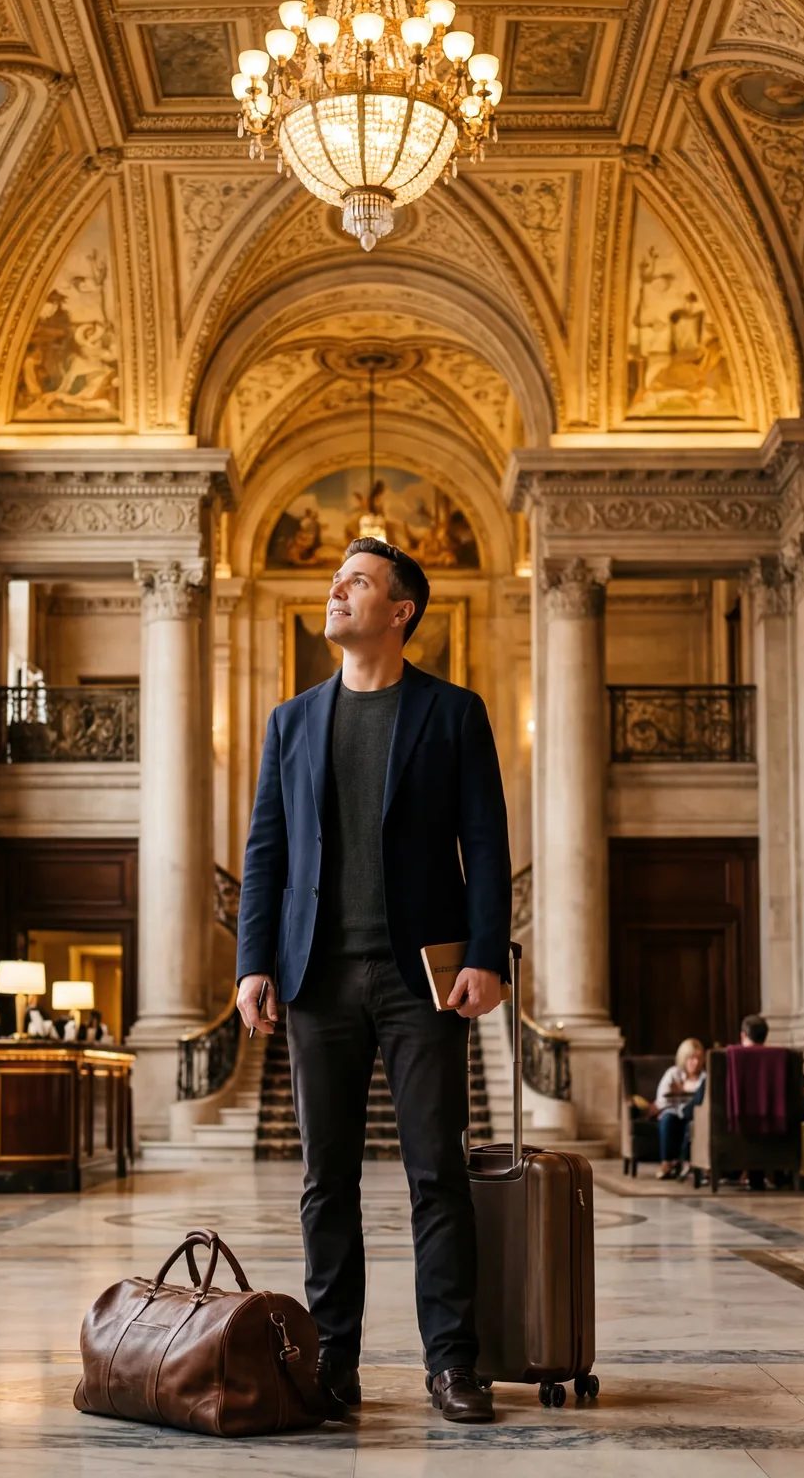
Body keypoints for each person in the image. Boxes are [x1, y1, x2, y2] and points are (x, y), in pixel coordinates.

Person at [235, 537, 510, 1426]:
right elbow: (266, 853)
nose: (336, 592)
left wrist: (487, 953)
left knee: (437, 1173)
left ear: (401, 612)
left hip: (420, 977)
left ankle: (453, 1365)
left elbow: (489, 843)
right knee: (326, 1182)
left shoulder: (454, 713)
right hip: (316, 978)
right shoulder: (291, 721)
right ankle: (333, 1364)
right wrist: (254, 964)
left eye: (356, 582)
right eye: (333, 581)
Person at [654, 1038, 707, 1179]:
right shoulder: (673, 1074)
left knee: (691, 1125)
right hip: (673, 1112)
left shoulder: (704, 1078)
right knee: (668, 1119)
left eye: (698, 1058)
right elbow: (661, 1100)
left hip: (694, 1115)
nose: (694, 1062)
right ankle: (667, 1163)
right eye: (690, 1058)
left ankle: (687, 1163)